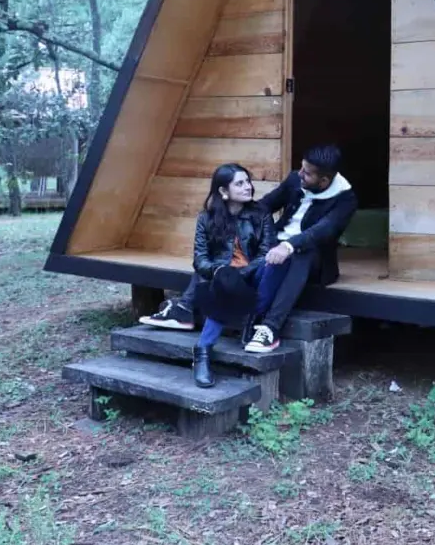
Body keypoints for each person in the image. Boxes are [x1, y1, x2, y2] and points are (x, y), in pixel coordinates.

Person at [140, 144, 357, 359]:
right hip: (273, 249)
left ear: (324, 181)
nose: (299, 174)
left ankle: (270, 327)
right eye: (301, 168)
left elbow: (322, 231)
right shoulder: (294, 180)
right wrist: (231, 215)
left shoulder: (346, 200)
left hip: (309, 259)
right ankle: (185, 309)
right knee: (223, 248)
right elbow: (265, 205)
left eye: (307, 173)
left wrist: (288, 245)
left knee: (302, 252)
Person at [181, 164, 274, 387]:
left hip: (251, 276)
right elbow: (200, 259)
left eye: (248, 182)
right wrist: (220, 271)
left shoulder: (260, 215)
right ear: (223, 191)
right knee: (224, 281)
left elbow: (265, 253)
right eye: (239, 183)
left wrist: (240, 273)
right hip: (220, 278)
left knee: (268, 265)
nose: (247, 187)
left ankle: (203, 349)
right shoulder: (206, 218)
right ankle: (204, 350)